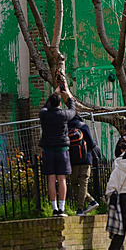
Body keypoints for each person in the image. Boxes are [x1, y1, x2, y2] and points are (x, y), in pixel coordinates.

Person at [38, 85, 76, 217]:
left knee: (51, 179)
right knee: (62, 179)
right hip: (62, 149)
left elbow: (44, 106)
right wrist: (69, 95)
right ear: (60, 103)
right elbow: (73, 110)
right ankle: (62, 208)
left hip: (48, 149)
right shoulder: (64, 115)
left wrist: (54, 93)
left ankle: (54, 209)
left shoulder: (44, 115)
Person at [67, 115, 99, 216]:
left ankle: (90, 202)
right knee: (84, 182)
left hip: (73, 161)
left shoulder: (66, 128)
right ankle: (81, 208)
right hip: (85, 159)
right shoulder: (83, 126)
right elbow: (91, 144)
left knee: (74, 183)